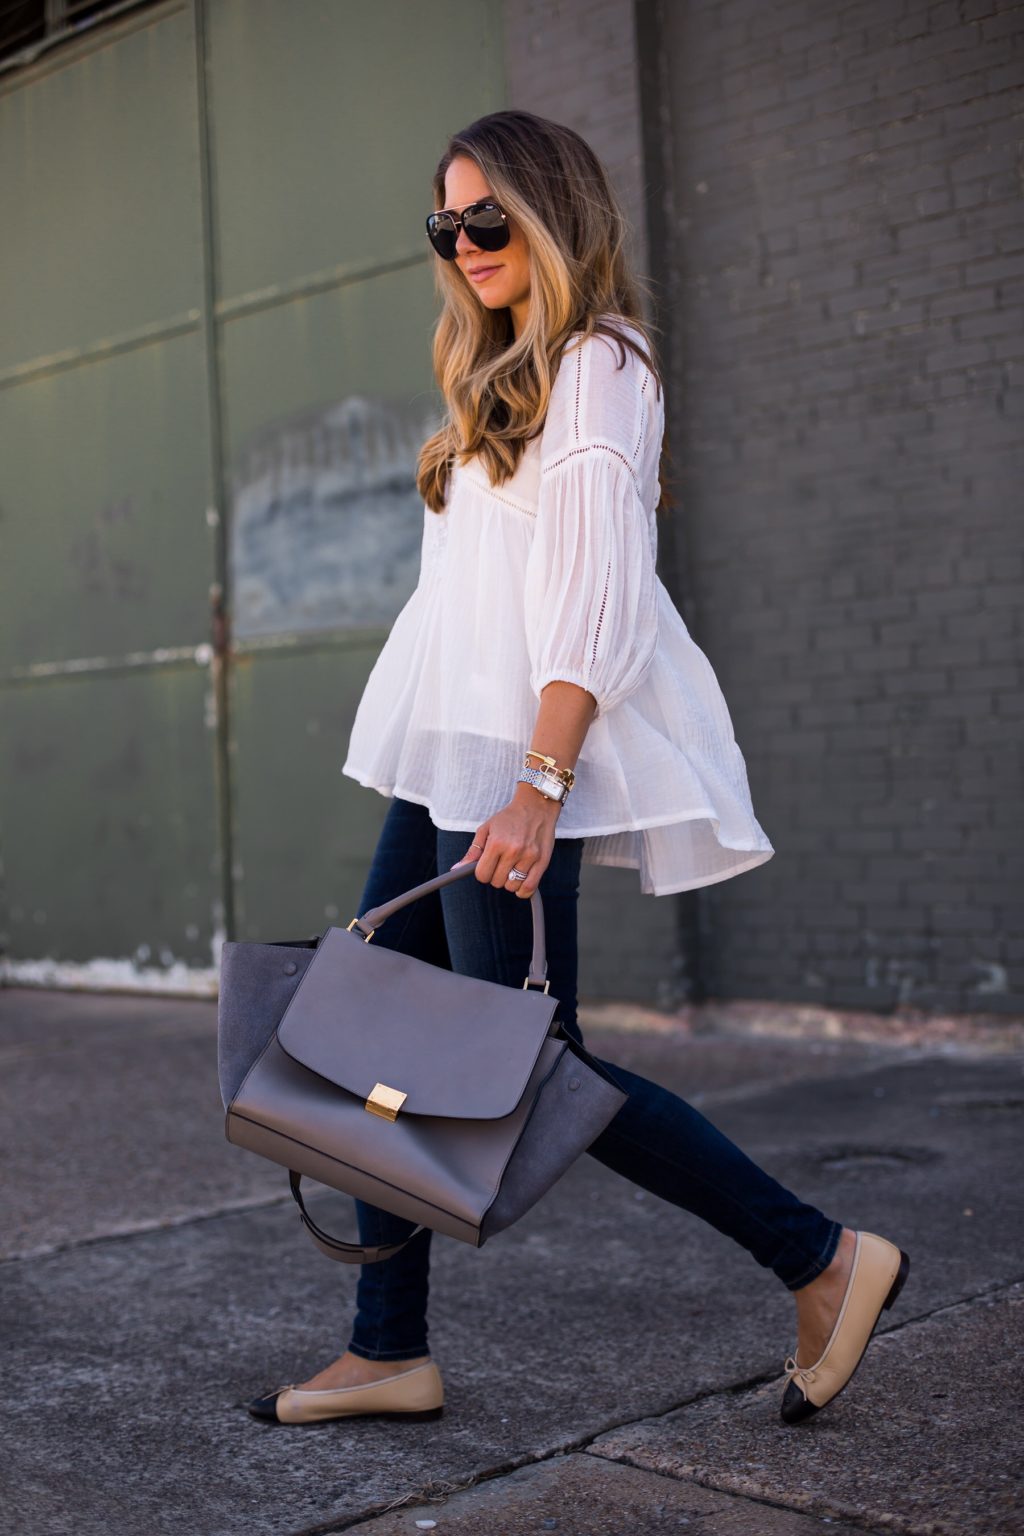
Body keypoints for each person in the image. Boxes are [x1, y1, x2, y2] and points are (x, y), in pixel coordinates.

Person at [249, 110, 908, 1429]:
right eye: (447, 224)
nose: (466, 243)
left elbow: (599, 602)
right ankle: (389, 1347)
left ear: (555, 213)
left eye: (489, 217)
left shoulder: (603, 365)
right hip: (455, 758)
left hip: (511, 762)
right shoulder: (497, 369)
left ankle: (824, 1258)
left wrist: (539, 785)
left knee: (539, 1065)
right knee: (379, 1023)